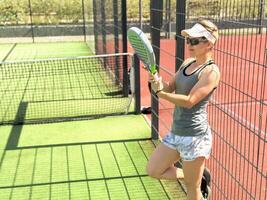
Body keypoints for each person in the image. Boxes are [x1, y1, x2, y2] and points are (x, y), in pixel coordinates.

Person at [146, 20, 220, 200]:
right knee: (153, 170)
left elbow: (189, 101)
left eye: (195, 41)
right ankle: (197, 176)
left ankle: (194, 179)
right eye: (188, 40)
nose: (189, 44)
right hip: (176, 132)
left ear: (209, 43)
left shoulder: (211, 72)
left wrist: (161, 93)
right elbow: (169, 87)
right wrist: (154, 82)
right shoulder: (187, 63)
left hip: (195, 137)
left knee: (192, 190)